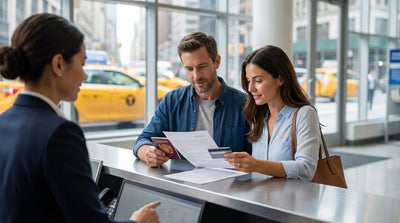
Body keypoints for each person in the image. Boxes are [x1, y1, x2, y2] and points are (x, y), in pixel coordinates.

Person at [0, 13, 160, 223]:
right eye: (82, 64)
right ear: (58, 64)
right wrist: (138, 222)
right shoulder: (60, 134)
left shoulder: (4, 121)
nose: (84, 76)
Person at [133, 31, 252, 167]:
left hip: (230, 185)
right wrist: (148, 153)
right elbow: (143, 140)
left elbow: (256, 156)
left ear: (217, 61)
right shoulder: (172, 101)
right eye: (189, 69)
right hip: (183, 185)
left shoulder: (244, 104)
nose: (196, 76)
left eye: (202, 67)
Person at [224, 45, 320, 181]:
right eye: (248, 80)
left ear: (280, 79)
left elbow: (306, 169)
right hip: (259, 197)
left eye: (258, 81)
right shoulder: (258, 117)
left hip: (291, 200)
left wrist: (255, 165)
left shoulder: (304, 114)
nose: (251, 88)